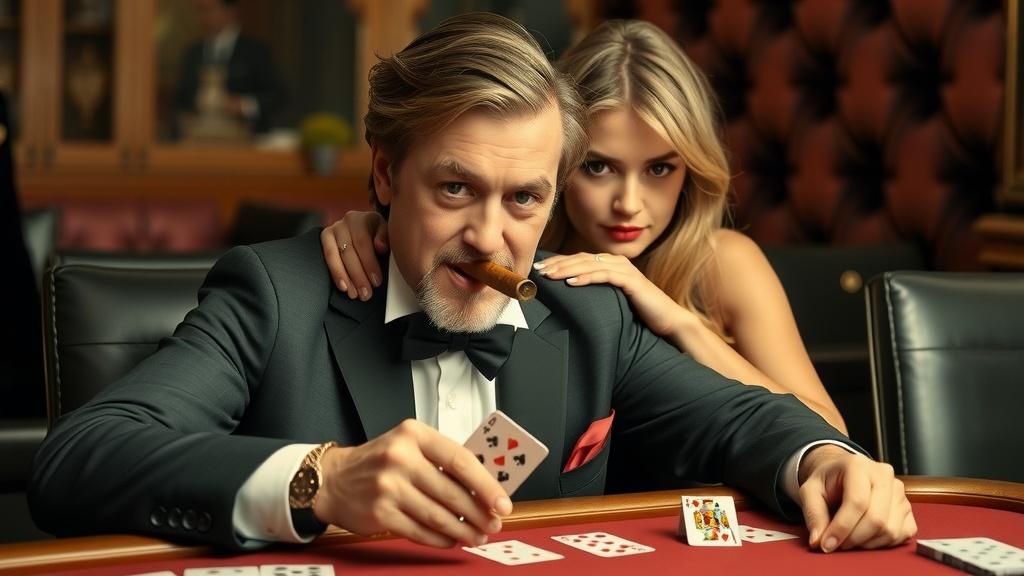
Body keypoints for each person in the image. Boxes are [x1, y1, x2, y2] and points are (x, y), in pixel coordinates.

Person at [31, 13, 913, 555]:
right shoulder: (278, 292)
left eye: (525, 197)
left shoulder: (586, 314)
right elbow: (78, 457)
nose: (491, 235)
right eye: (455, 188)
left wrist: (830, 458)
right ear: (384, 176)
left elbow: (745, 417)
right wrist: (320, 482)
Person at [320, 20, 847, 432]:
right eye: (600, 167)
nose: (629, 204)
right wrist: (383, 222)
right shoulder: (514, 250)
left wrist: (679, 324)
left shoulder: (721, 261)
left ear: (690, 171)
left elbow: (827, 436)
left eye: (660, 168)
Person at [174, 0, 284, 136]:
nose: (203, 17)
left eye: (208, 10)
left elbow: (278, 96)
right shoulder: (193, 53)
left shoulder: (255, 50)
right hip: (201, 137)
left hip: (245, 138)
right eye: (199, 11)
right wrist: (185, 117)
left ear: (230, 11)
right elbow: (181, 100)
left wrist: (243, 105)